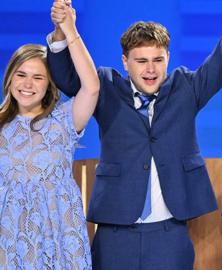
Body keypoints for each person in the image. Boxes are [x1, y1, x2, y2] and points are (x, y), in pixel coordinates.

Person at [46, 1, 222, 269]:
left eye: (158, 60)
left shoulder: (186, 88)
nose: (151, 69)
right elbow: (65, 77)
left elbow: (220, 60)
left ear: (168, 57)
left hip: (169, 233)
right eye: (141, 61)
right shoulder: (105, 87)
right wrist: (62, 32)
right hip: (115, 232)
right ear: (125, 61)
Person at [0, 1, 99, 268]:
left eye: (38, 77)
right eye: (21, 75)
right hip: (8, 249)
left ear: (49, 85)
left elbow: (91, 87)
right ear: (9, 79)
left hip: (58, 244)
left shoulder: (64, 121)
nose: (28, 84)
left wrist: (69, 31)